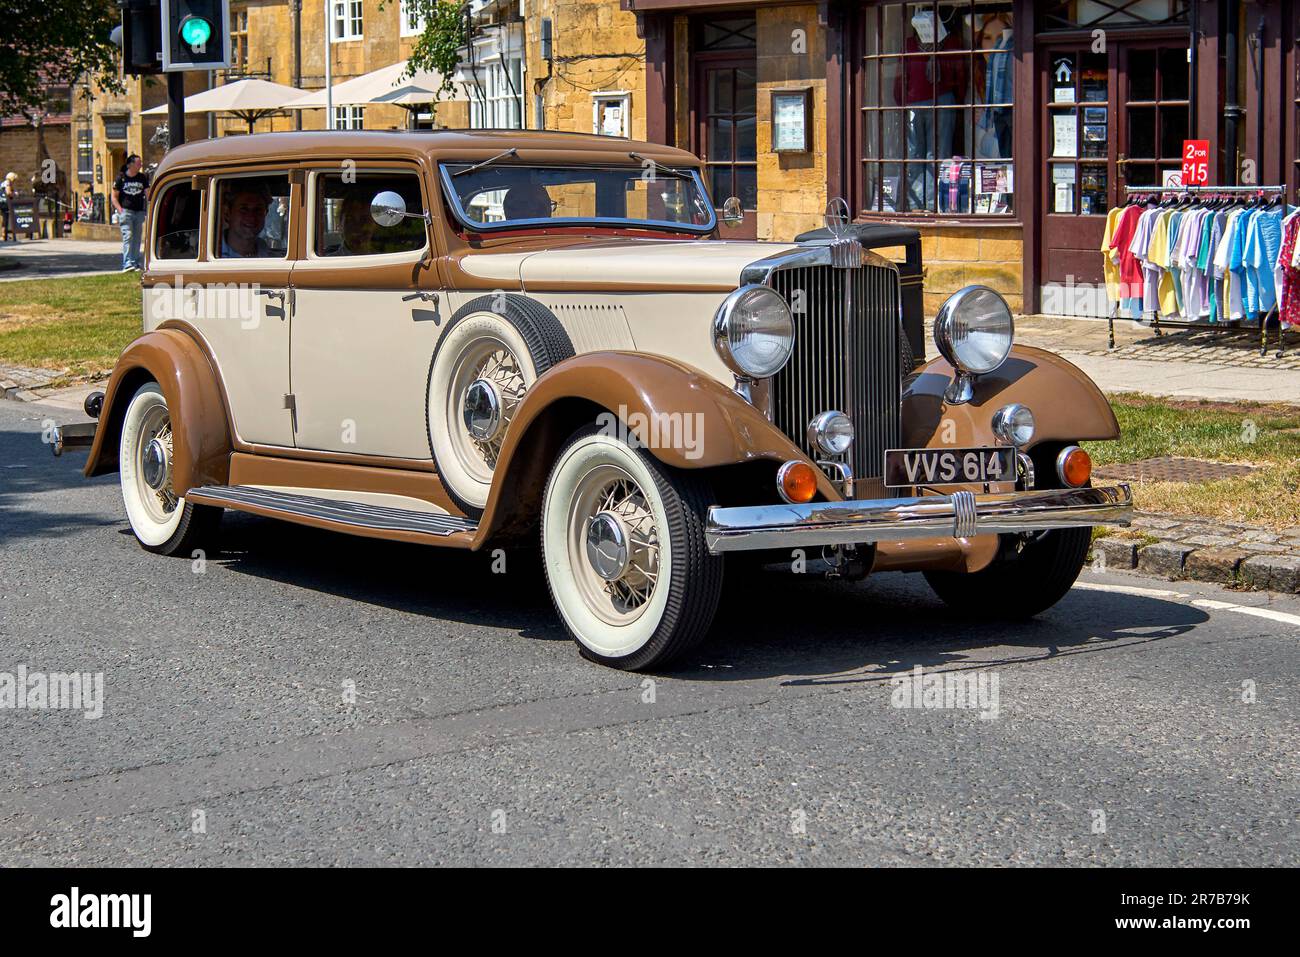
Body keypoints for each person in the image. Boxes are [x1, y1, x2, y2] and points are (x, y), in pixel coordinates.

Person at [112, 154, 149, 270]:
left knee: (137, 237)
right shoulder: (121, 178)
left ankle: (135, 262)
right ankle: (127, 263)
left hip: (139, 212)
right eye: (138, 163)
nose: (140, 165)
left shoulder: (142, 178)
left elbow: (148, 194)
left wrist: (150, 207)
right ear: (130, 164)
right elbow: (114, 197)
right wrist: (120, 210)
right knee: (128, 236)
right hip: (126, 211)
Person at [219, 182, 275, 258]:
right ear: (227, 213)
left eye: (258, 210)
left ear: (266, 213)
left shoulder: (267, 254)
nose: (251, 217)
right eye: (243, 209)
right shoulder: (212, 254)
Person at [1, 172, 17, 242]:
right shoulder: (8, 183)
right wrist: (15, 194)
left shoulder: (3, 182)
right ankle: (4, 235)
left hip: (1, 201)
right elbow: (8, 193)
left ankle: (3, 234)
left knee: (3, 219)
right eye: (14, 179)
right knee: (5, 219)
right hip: (5, 203)